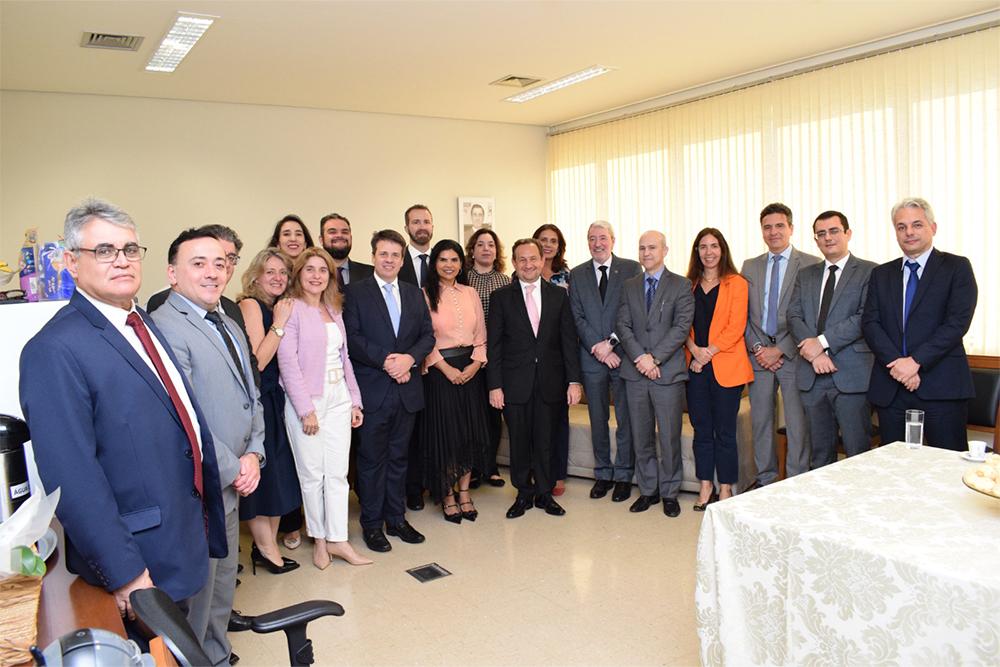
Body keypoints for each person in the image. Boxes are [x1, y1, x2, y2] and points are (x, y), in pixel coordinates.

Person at [19, 198, 227, 635]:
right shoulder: (54, 350)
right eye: (105, 251)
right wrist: (125, 573)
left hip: (182, 540)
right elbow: (71, 476)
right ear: (72, 263)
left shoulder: (141, 322)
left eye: (130, 249)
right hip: (139, 561)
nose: (122, 261)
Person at [150, 228, 265, 667]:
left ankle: (218, 654)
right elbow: (186, 415)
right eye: (198, 263)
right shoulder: (165, 328)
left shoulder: (228, 321)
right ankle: (195, 658)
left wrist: (255, 452)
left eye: (220, 263)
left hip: (236, 475)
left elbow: (250, 395)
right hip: (203, 481)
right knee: (198, 590)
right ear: (172, 274)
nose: (212, 272)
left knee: (221, 585)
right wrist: (235, 465)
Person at [277, 247, 371, 568]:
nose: (316, 275)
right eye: (310, 269)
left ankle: (339, 540)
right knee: (312, 475)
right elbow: (287, 362)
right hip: (308, 401)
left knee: (338, 474)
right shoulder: (290, 308)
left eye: (323, 270)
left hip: (338, 396)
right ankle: (319, 540)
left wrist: (354, 400)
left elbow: (344, 358)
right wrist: (306, 410)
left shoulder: (334, 308)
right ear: (299, 274)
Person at [343, 229, 435, 552]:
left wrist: (409, 359)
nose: (390, 260)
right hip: (373, 390)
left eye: (396, 255)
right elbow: (352, 339)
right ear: (373, 257)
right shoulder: (355, 293)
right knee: (371, 461)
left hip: (407, 390)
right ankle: (372, 524)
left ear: (402, 258)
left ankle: (396, 518)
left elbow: (427, 336)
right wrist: (387, 362)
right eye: (384, 254)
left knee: (399, 458)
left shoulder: (413, 293)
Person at [862, 197, 978, 450]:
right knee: (894, 469)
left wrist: (915, 362)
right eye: (901, 227)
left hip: (941, 386)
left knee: (947, 469)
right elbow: (870, 323)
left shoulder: (956, 267)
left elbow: (957, 322)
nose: (909, 232)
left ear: (932, 228)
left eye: (917, 224)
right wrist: (898, 365)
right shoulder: (881, 274)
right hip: (892, 387)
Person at [488, 238, 582, 519]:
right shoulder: (501, 298)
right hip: (515, 384)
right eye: (522, 260)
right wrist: (495, 385)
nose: (528, 264)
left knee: (546, 440)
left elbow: (568, 342)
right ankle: (522, 494)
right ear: (514, 263)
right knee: (519, 440)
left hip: (551, 383)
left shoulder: (558, 296)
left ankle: (544, 492)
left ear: (542, 261)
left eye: (533, 259)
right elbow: (494, 346)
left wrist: (574, 381)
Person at [787, 211, 877, 467]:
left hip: (851, 376)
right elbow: (793, 315)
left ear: (848, 234)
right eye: (821, 233)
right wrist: (814, 352)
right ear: (816, 240)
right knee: (820, 455)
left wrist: (822, 343)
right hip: (812, 377)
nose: (828, 238)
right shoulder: (806, 274)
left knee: (856, 453)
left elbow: (864, 317)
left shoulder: (870, 271)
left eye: (834, 231)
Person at [742, 203, 821, 488]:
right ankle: (766, 481)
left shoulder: (811, 264)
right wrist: (758, 348)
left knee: (798, 424)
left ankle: (796, 482)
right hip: (759, 356)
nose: (773, 232)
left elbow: (809, 315)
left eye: (779, 226)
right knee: (760, 423)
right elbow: (745, 314)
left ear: (791, 228)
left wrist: (782, 349)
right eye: (767, 227)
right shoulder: (750, 266)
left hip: (794, 355)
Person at [617, 231, 694, 517]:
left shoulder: (681, 285)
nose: (646, 252)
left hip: (666, 373)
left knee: (669, 436)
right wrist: (640, 357)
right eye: (642, 248)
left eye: (652, 247)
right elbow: (623, 325)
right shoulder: (630, 285)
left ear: (665, 250)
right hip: (636, 373)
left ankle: (670, 492)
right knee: (641, 436)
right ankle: (648, 490)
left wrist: (655, 358)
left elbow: (681, 327)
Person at [236, 248, 304, 572]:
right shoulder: (251, 305)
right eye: (270, 272)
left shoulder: (278, 306)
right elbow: (257, 363)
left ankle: (267, 548)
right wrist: (278, 324)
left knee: (279, 477)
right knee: (265, 477)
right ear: (256, 276)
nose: (278, 278)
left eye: (283, 272)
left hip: (277, 398)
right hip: (259, 397)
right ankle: (265, 550)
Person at [568, 221, 641, 502]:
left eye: (602, 238)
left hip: (622, 356)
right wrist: (597, 349)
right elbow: (577, 317)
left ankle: (624, 474)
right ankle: (603, 474)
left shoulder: (631, 269)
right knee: (597, 419)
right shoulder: (577, 274)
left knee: (625, 419)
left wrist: (610, 344)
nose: (597, 243)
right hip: (591, 358)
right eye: (591, 238)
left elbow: (632, 311)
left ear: (613, 239)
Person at [420, 239, 490, 523]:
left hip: (471, 369)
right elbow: (424, 338)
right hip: (440, 372)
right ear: (434, 264)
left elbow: (481, 335)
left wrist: (475, 364)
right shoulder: (424, 294)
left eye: (455, 260)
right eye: (443, 260)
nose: (449, 265)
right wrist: (447, 370)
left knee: (468, 434)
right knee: (447, 435)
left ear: (462, 263)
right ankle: (447, 496)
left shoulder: (470, 292)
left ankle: (464, 493)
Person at [683, 228, 753, 509]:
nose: (708, 252)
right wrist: (694, 350)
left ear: (722, 250)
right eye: (703, 247)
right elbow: (681, 324)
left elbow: (736, 326)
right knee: (702, 430)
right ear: (696, 252)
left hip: (726, 367)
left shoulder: (736, 283)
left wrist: (706, 353)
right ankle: (704, 486)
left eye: (714, 246)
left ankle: (725, 488)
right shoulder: (687, 284)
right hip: (695, 368)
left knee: (724, 431)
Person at [465, 228, 511, 487]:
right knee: (472, 414)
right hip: (469, 357)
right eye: (480, 244)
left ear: (496, 251)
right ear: (472, 250)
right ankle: (471, 468)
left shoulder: (506, 281)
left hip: (497, 357)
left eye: (491, 244)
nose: (486, 249)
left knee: (493, 414)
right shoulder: (463, 279)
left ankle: (491, 466)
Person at [398, 204, 434, 510]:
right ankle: (412, 488)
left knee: (434, 428)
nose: (421, 226)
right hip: (407, 362)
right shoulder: (397, 262)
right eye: (415, 222)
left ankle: (434, 483)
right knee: (410, 431)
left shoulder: (445, 259)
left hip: (440, 358)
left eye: (426, 221)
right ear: (407, 226)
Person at [533, 223, 572, 496]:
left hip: (558, 358)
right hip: (528, 362)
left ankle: (557, 474)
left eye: (553, 241)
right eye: (543, 240)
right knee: (533, 421)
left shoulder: (568, 276)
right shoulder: (519, 275)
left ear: (559, 246)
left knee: (557, 420)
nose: (548, 244)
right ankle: (536, 472)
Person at [320, 212, 374, 292]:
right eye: (332, 232)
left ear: (351, 238)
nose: (339, 235)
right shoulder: (311, 275)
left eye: (345, 232)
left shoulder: (372, 274)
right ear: (321, 240)